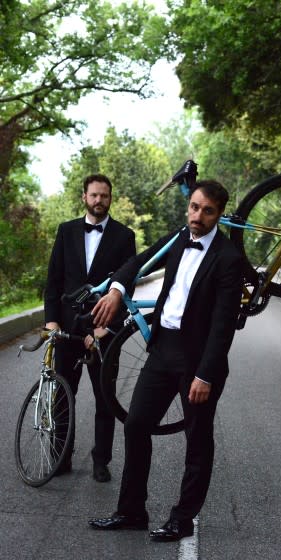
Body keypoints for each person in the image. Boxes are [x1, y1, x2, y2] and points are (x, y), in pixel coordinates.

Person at [88, 179, 244, 539]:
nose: (197, 216)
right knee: (136, 424)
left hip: (199, 359)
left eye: (207, 211)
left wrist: (205, 375)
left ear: (218, 214)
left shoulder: (229, 259)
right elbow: (138, 262)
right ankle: (131, 511)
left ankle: (182, 518)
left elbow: (223, 326)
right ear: (187, 206)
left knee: (198, 439)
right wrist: (115, 290)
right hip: (162, 349)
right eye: (194, 207)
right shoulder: (178, 238)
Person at [44, 173, 136, 482]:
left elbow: (127, 288)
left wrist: (105, 328)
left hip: (103, 330)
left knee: (105, 397)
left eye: (104, 196)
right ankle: (61, 456)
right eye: (94, 195)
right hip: (67, 329)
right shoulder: (66, 231)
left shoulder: (125, 236)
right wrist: (52, 321)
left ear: (111, 199)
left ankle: (101, 461)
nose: (99, 201)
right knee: (61, 394)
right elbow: (54, 280)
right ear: (84, 197)